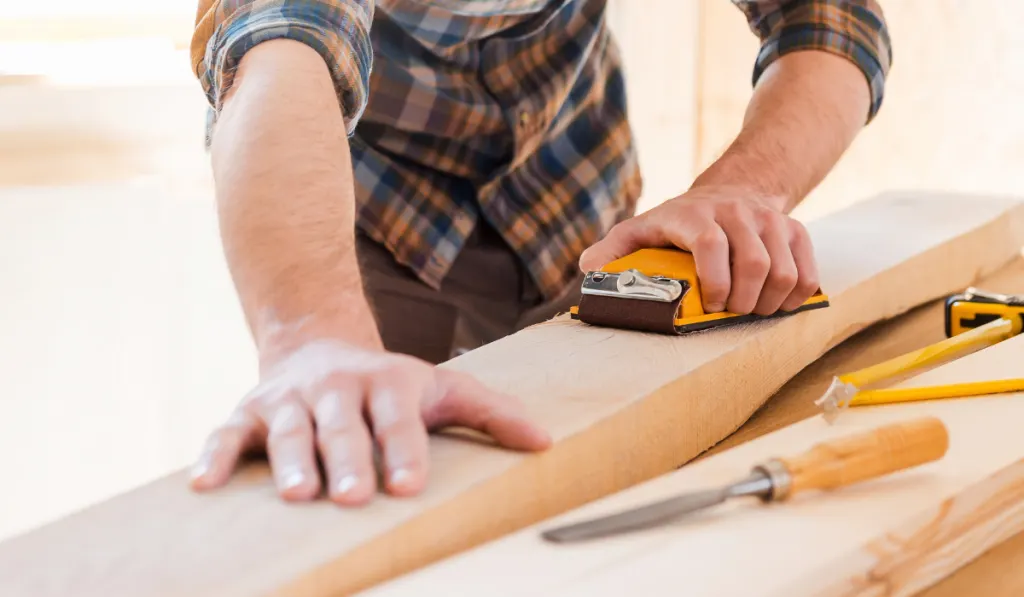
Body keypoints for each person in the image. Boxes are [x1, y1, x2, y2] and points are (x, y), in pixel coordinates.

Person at [186, 0, 891, 505]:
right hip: (371, 224)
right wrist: (313, 335)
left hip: (573, 195)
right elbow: (281, 43)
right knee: (395, 498)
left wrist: (746, 188)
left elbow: (832, 17)